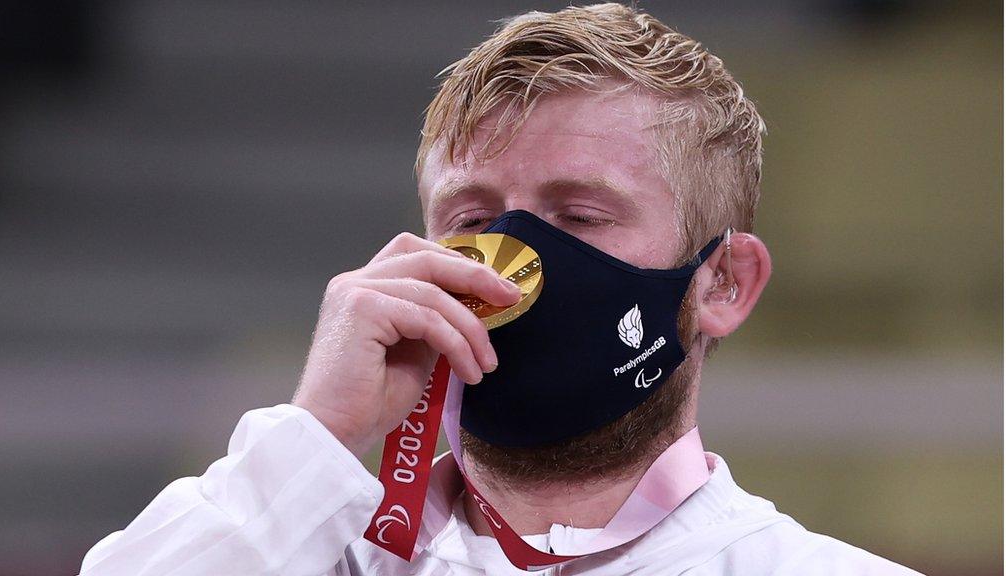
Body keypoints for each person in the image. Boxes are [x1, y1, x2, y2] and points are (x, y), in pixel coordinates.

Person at [78, 4, 923, 575]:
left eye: (580, 216)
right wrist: (316, 436)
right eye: (473, 217)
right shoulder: (295, 549)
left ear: (724, 283)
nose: (509, 262)